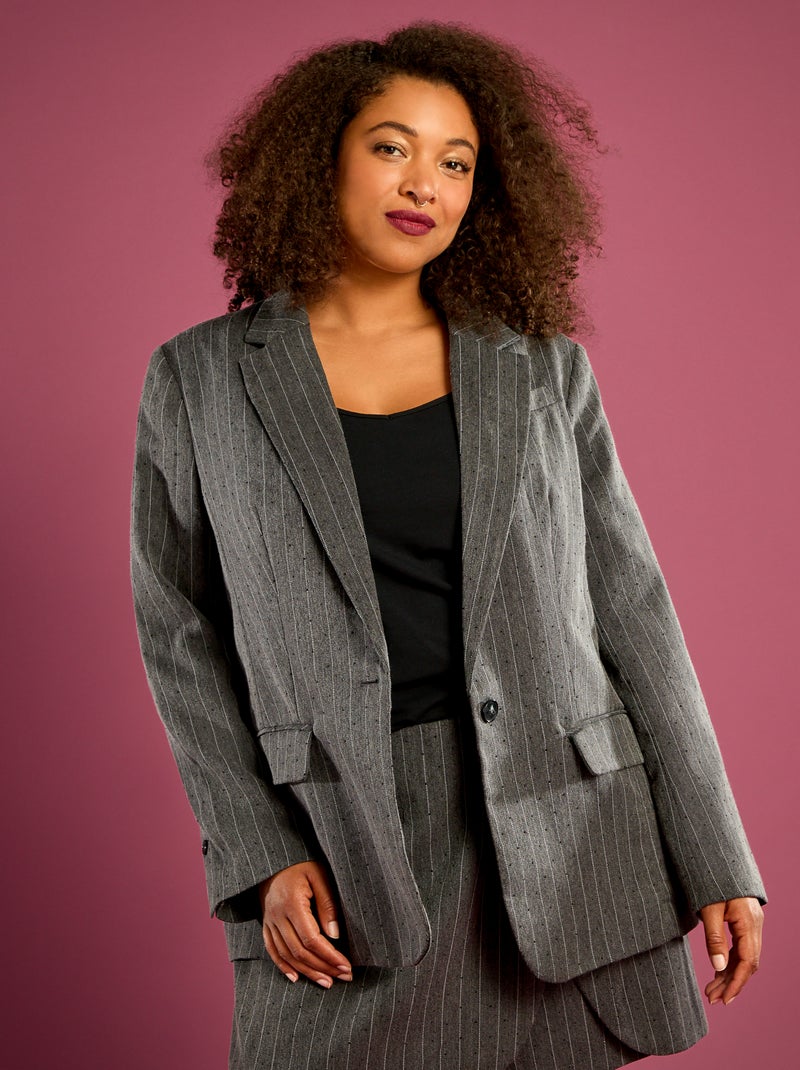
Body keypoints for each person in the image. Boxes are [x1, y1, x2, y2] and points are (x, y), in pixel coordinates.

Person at [130, 21, 766, 1070]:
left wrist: (716, 854)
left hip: (575, 849)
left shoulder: (542, 368)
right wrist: (257, 850)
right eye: (391, 146)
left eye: (456, 162)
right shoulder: (199, 380)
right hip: (345, 850)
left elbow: (632, 612)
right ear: (320, 157)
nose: (424, 182)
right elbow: (178, 634)